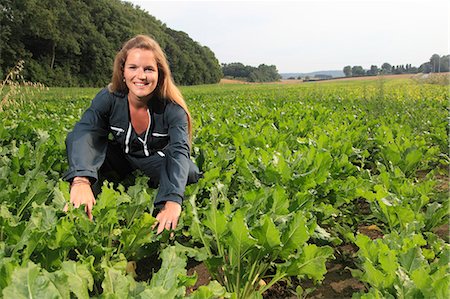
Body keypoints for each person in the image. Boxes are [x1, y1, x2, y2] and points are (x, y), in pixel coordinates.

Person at [62, 34, 202, 234]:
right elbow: (86, 130)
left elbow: (180, 150)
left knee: (189, 171)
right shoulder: (109, 97)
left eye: (148, 69)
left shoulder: (173, 109)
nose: (141, 76)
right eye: (133, 67)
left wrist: (172, 201)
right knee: (78, 144)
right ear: (123, 71)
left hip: (155, 161)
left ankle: (161, 191)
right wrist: (81, 179)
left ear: (160, 74)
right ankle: (84, 201)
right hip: (122, 158)